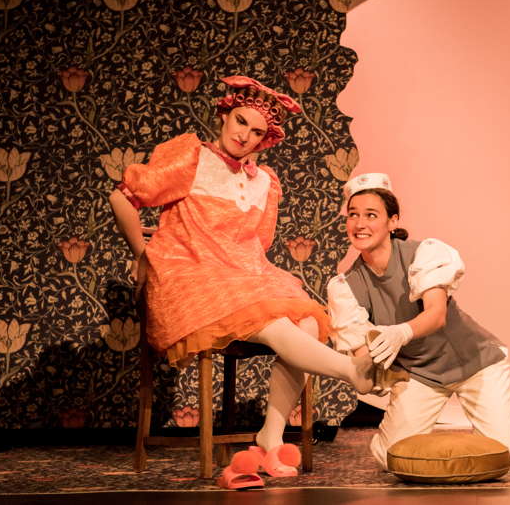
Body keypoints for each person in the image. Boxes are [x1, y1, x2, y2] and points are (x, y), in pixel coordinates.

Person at [108, 76, 381, 482]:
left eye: (256, 131)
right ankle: (350, 371)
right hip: (191, 275)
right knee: (271, 320)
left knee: (307, 320)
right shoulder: (192, 158)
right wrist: (141, 251)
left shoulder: (264, 181)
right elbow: (122, 197)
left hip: (242, 277)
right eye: (240, 122)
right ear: (224, 115)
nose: (245, 135)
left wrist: (257, 271)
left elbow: (257, 243)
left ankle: (270, 437)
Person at [325, 173, 510, 471]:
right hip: (420, 374)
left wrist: (400, 333)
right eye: (353, 215)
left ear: (392, 221)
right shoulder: (345, 286)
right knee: (391, 457)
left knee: (506, 456)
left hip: (473, 362)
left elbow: (436, 315)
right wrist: (371, 374)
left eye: (371, 215)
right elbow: (359, 350)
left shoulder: (424, 254)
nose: (360, 224)